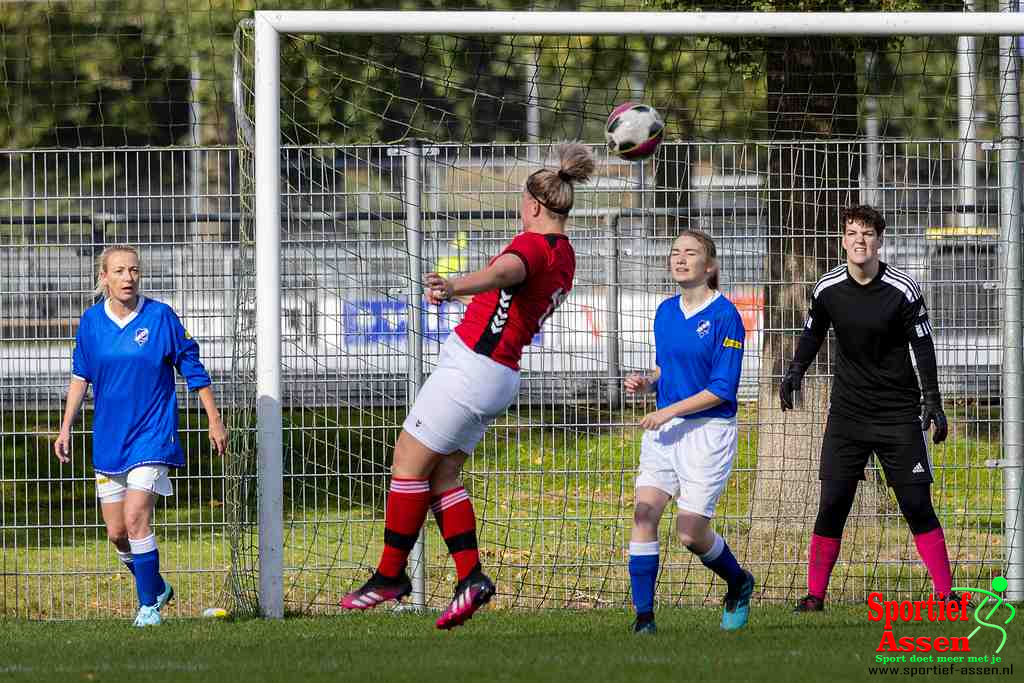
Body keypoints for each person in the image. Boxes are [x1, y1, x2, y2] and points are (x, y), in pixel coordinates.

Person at [340, 143, 595, 630]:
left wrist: (454, 286)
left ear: (534, 205)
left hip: (472, 368)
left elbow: (505, 273)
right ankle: (470, 578)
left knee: (406, 466)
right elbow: (511, 296)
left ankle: (390, 575)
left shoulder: (531, 246)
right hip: (497, 373)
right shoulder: (565, 255)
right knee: (442, 478)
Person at [780, 205, 953, 613]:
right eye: (853, 232)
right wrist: (794, 372)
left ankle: (947, 596)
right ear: (843, 240)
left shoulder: (903, 288)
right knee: (833, 503)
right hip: (848, 416)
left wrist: (933, 401)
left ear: (879, 240)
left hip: (897, 415)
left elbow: (923, 347)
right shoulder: (826, 288)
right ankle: (814, 597)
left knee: (916, 505)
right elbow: (812, 332)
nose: (860, 240)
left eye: (868, 233)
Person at [53, 245, 227, 627]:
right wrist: (66, 425)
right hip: (110, 440)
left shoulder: (160, 317)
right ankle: (157, 586)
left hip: (152, 435)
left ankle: (148, 607)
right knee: (117, 534)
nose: (128, 277)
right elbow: (81, 376)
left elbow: (192, 369)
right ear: (104, 277)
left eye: (133, 270)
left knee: (135, 519)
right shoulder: (91, 323)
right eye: (119, 271)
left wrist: (214, 418)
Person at [624, 230, 753, 634]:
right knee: (644, 514)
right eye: (675, 252)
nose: (680, 259)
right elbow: (670, 370)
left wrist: (668, 412)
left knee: (689, 533)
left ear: (710, 266)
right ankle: (644, 620)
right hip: (666, 430)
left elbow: (720, 390)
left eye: (691, 253)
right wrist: (648, 381)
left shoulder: (725, 315)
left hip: (707, 433)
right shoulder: (664, 311)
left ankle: (738, 581)